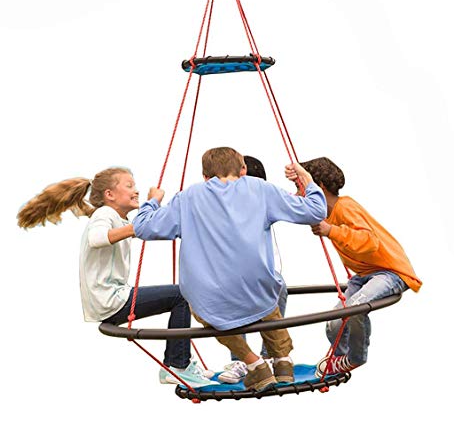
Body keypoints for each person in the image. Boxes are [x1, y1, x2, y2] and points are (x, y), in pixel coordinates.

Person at [133, 147, 327, 391]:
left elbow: (143, 228)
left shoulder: (188, 197)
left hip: (213, 297)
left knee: (205, 310)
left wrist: (153, 201)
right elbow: (316, 211)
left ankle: (255, 364)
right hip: (258, 289)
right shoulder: (261, 189)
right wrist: (305, 178)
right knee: (267, 299)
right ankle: (283, 362)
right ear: (243, 169)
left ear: (205, 176)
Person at [17, 167, 215, 388]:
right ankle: (178, 365)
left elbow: (148, 227)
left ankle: (177, 363)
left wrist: (154, 208)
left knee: (180, 294)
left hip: (110, 298)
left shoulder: (115, 218)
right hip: (111, 300)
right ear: (109, 194)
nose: (136, 190)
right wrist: (138, 224)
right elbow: (97, 238)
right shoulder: (105, 214)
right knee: (181, 294)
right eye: (129, 186)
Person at [288, 157, 422, 377]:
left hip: (390, 272)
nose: (297, 193)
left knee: (355, 308)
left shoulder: (345, 206)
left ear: (319, 187)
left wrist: (331, 230)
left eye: (300, 187)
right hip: (364, 275)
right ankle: (337, 361)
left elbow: (370, 242)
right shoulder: (325, 213)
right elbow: (295, 208)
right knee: (333, 323)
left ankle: (355, 358)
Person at [217, 155, 288, 384]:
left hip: (261, 270)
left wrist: (304, 183)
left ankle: (270, 356)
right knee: (231, 295)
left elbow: (295, 205)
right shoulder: (220, 205)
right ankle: (243, 360)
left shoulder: (263, 202)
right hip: (229, 272)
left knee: (278, 287)